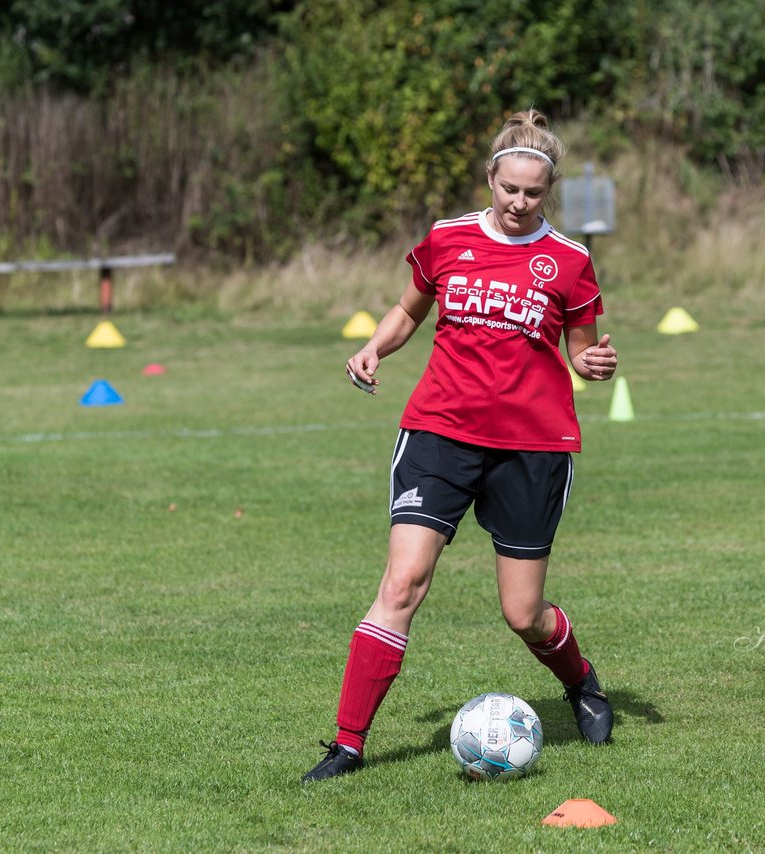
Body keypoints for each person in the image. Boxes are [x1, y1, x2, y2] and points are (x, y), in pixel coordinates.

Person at [302, 109, 619, 783]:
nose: (519, 202)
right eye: (509, 189)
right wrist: (373, 347)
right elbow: (410, 308)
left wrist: (593, 366)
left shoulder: (570, 260)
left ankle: (582, 682)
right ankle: (348, 745)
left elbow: (585, 351)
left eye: (533, 193)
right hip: (439, 433)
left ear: (548, 191)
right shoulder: (448, 238)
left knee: (522, 612)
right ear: (491, 179)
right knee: (402, 583)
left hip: (532, 447)